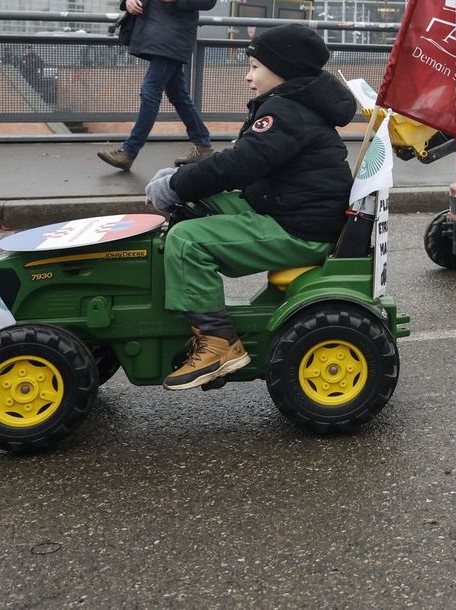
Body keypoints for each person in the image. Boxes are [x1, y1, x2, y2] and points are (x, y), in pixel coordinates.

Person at [142, 24, 356, 390]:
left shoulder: (287, 111)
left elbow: (240, 165)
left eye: (255, 66)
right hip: (292, 211)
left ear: (283, 70)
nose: (247, 76)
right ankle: (195, 310)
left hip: (299, 230)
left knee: (188, 240)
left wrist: (175, 185)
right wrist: (184, 176)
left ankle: (218, 342)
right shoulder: (296, 103)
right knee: (195, 204)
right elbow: (245, 160)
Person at [99, 0, 216, 171]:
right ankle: (204, 146)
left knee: (150, 91)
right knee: (178, 94)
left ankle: (129, 152)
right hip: (150, 34)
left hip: (174, 36)